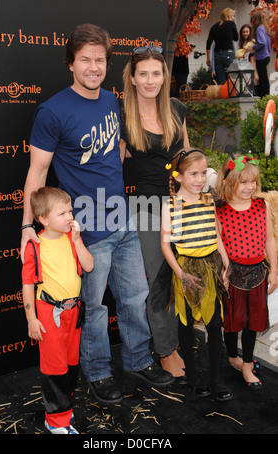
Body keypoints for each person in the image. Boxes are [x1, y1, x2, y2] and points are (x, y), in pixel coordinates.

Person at [20, 23, 174, 407]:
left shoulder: (111, 101)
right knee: (95, 309)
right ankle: (99, 373)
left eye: (100, 60)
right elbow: (37, 173)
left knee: (135, 297)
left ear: (108, 63)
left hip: (122, 218)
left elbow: (117, 151)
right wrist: (27, 224)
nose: (93, 66)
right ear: (71, 63)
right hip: (85, 228)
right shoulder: (52, 111)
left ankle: (138, 360)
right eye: (85, 59)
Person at [120, 46, 189, 379]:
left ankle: (179, 339)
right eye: (143, 74)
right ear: (132, 78)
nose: (150, 80)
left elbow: (187, 155)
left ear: (165, 76)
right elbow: (112, 167)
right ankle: (165, 348)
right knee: (159, 281)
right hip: (148, 209)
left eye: (156, 73)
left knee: (183, 272)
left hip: (183, 205)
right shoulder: (124, 117)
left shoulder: (177, 108)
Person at [160, 148, 233, 401]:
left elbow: (217, 237)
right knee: (186, 323)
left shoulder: (208, 200)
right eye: (194, 174)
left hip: (211, 267)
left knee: (214, 325)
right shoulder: (170, 205)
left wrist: (226, 264)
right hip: (186, 270)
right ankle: (192, 376)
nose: (201, 179)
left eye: (203, 173)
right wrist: (180, 273)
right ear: (179, 177)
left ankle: (216, 379)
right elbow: (164, 244)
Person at [22, 187, 94, 434]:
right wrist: (32, 319)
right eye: (62, 213)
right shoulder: (35, 245)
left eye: (70, 210)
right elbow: (28, 285)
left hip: (73, 311)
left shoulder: (72, 238)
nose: (69, 217)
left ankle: (64, 409)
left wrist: (76, 241)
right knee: (55, 368)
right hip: (48, 313)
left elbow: (89, 265)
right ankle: (55, 421)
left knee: (71, 363)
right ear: (43, 219)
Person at [216, 156, 278, 389]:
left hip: (258, 273)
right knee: (232, 322)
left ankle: (247, 363)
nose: (250, 187)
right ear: (229, 182)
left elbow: (270, 240)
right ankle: (233, 356)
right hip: (233, 274)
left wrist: (274, 270)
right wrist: (224, 269)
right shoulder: (220, 210)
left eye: (253, 182)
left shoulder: (263, 205)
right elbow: (218, 242)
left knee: (253, 321)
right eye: (243, 182)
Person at [206, 8, 238, 85]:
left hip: (217, 56)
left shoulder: (214, 26)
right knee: (231, 80)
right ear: (229, 16)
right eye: (233, 16)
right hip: (228, 54)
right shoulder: (231, 24)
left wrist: (208, 58)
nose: (233, 18)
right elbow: (236, 38)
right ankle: (231, 95)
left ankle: (222, 96)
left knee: (220, 82)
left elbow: (208, 43)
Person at [247, 11, 272, 98]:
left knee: (262, 79)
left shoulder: (259, 29)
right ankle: (266, 95)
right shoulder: (265, 28)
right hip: (267, 55)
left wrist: (252, 48)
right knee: (264, 77)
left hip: (261, 57)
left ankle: (264, 96)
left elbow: (262, 43)